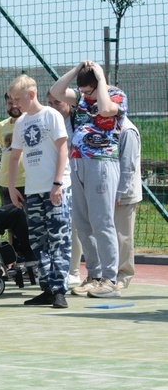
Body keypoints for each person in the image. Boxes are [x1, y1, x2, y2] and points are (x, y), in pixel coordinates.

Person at [50, 60, 125, 298]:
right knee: (83, 224)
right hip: (78, 163)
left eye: (88, 90)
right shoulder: (83, 98)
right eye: (82, 91)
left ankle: (110, 279)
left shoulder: (115, 95)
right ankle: (93, 275)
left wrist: (101, 79)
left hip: (102, 162)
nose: (84, 95)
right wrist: (76, 70)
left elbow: (105, 110)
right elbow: (56, 91)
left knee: (102, 222)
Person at [7, 75, 72, 309]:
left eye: (18, 98)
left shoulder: (51, 115)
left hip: (54, 188)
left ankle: (59, 290)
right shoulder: (22, 122)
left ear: (31, 94)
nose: (15, 104)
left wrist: (57, 183)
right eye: (12, 99)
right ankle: (47, 288)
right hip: (33, 190)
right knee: (37, 241)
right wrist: (13, 186)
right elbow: (15, 156)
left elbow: (62, 149)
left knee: (59, 239)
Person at [47, 91, 84, 286]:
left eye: (58, 102)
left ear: (68, 103)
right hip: (58, 180)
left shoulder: (79, 120)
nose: (54, 106)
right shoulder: (49, 122)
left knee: (76, 226)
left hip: (77, 176)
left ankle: (74, 270)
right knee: (61, 225)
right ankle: (55, 270)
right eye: (50, 103)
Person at [115, 117, 142, 289]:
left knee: (122, 236)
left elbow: (128, 165)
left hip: (124, 194)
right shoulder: (106, 127)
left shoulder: (128, 130)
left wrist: (120, 191)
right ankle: (107, 274)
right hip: (106, 191)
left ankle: (123, 275)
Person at [0, 94, 26, 206]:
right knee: (8, 220)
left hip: (26, 181)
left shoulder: (31, 122)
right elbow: (4, 148)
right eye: (10, 103)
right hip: (5, 181)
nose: (14, 106)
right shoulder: (1, 126)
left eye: (17, 103)